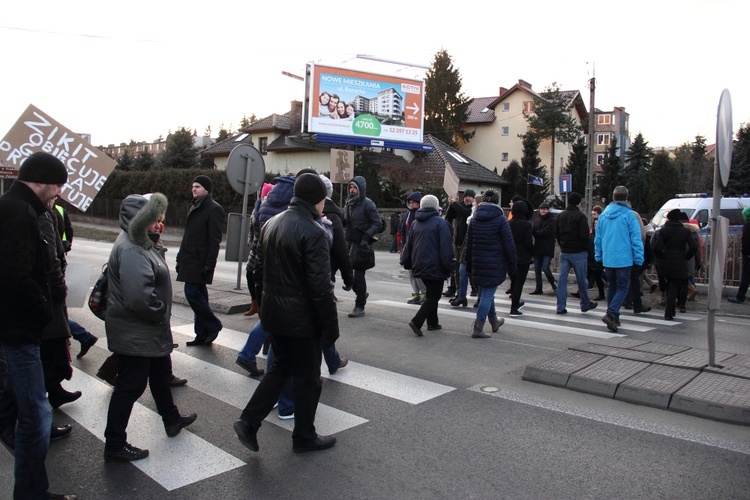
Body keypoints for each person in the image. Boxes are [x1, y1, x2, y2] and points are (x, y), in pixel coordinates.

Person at [233, 174, 339, 454]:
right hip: (302, 322)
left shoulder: (271, 223)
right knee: (308, 380)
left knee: (279, 370)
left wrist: (262, 303)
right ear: (317, 200)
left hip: (274, 316)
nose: (323, 206)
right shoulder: (314, 232)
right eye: (323, 201)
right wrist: (331, 329)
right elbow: (321, 288)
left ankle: (248, 421)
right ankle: (304, 436)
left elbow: (256, 270)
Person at [0, 151, 77, 499]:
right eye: (57, 185)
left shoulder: (22, 208)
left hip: (17, 328)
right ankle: (31, 494)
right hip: (19, 331)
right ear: (42, 181)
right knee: (35, 417)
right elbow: (16, 276)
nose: (58, 192)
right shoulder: (18, 212)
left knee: (28, 409)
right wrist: (43, 308)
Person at [103, 193, 197, 462]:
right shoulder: (133, 247)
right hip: (138, 330)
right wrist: (159, 313)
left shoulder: (142, 243)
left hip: (146, 329)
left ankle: (171, 419)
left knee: (159, 374)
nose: (159, 224)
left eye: (160, 219)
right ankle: (115, 443)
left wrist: (156, 242)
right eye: (154, 220)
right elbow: (138, 297)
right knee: (130, 386)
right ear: (139, 219)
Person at [176, 175, 226, 346]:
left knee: (191, 293)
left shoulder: (214, 209)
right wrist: (179, 257)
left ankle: (213, 325)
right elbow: (187, 236)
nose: (194, 189)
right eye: (193, 186)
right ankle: (201, 334)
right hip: (189, 259)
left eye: (197, 186)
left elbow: (214, 240)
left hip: (200, 261)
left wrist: (209, 264)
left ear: (206, 189)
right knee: (200, 296)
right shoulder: (195, 206)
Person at [400, 195, 456, 336]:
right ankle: (417, 321)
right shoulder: (441, 223)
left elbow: (409, 245)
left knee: (431, 293)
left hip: (418, 264)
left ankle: (433, 323)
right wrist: (449, 265)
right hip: (435, 265)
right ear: (436, 207)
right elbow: (446, 247)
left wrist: (406, 261)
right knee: (434, 296)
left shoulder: (416, 222)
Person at [465, 189, 515, 338]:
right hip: (494, 262)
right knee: (487, 294)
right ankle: (478, 327)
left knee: (486, 292)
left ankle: (494, 321)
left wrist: (469, 264)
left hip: (477, 261)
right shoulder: (500, 220)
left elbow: (469, 244)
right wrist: (513, 263)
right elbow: (509, 244)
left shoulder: (474, 219)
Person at [594, 186, 645, 332]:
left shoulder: (603, 215)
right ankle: (611, 313)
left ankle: (614, 316)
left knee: (612, 287)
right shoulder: (629, 215)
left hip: (608, 257)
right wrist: (639, 258)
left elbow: (598, 239)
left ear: (613, 197)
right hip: (624, 258)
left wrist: (598, 255)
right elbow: (636, 239)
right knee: (623, 287)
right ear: (626, 198)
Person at [344, 176, 382, 318]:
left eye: (355, 188)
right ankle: (361, 293)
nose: (352, 190)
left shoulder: (368, 204)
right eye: (351, 188)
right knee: (347, 272)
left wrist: (366, 237)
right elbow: (346, 223)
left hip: (361, 244)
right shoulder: (348, 203)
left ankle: (359, 306)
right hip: (349, 243)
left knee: (359, 275)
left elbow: (377, 222)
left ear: (361, 189)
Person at [555, 192, 598, 315]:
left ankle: (560, 306)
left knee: (562, 280)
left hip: (564, 252)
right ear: (579, 203)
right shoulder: (580, 217)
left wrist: (562, 244)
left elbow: (556, 233)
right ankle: (585, 303)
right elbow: (584, 236)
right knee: (582, 279)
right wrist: (586, 249)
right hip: (578, 252)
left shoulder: (561, 216)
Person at [652, 208, 698, 320]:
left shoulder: (663, 231)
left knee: (670, 286)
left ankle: (670, 310)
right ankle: (670, 311)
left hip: (666, 261)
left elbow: (657, 247)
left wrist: (660, 256)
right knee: (677, 285)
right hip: (680, 262)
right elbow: (693, 247)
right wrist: (687, 256)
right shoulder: (685, 231)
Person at [244, 182, 274, 317]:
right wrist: (250, 240)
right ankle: (254, 303)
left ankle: (262, 307)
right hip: (255, 247)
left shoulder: (271, 209)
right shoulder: (256, 208)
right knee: (249, 274)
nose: (265, 198)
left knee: (260, 277)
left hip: (264, 248)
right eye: (264, 195)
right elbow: (251, 226)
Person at [444, 189, 475, 298]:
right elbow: (449, 216)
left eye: (470, 196)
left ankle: (471, 289)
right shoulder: (459, 206)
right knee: (457, 268)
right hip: (457, 241)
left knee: (465, 268)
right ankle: (457, 291)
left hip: (466, 244)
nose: (468, 198)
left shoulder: (474, 209)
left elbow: (466, 213)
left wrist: (455, 204)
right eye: (466, 196)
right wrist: (451, 205)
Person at [399, 192, 426, 304]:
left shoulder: (420, 215)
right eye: (410, 202)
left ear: (419, 204)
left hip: (417, 246)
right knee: (411, 271)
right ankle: (416, 292)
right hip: (408, 246)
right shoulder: (407, 215)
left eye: (414, 203)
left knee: (417, 271)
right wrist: (403, 245)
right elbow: (402, 230)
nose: (411, 205)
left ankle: (424, 292)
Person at [508, 200, 533, 317]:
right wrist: (533, 251)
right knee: (519, 283)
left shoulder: (509, 223)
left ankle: (515, 302)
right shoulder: (527, 224)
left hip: (510, 256)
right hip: (523, 257)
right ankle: (514, 307)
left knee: (513, 281)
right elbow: (528, 243)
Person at [530, 202, 557, 295]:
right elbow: (533, 230)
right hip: (537, 247)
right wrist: (535, 232)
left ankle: (553, 284)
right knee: (537, 269)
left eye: (545, 209)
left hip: (547, 248)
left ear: (548, 210)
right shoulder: (537, 220)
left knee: (545, 267)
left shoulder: (552, 220)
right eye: (541, 209)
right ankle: (538, 287)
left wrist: (536, 232)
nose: (543, 210)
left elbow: (546, 232)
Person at [728, 207, 750, 304]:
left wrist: (744, 253)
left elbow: (746, 242)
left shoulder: (748, 226)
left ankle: (740, 297)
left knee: (746, 277)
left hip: (748, 255)